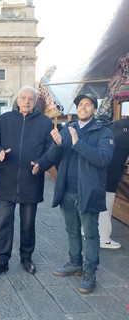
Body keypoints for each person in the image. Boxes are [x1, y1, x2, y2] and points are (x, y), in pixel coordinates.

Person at [33, 93, 114, 294]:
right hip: (67, 190)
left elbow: (103, 159)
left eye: (87, 105)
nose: (83, 107)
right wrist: (44, 161)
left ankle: (90, 271)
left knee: (91, 234)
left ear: (94, 109)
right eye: (80, 104)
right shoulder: (68, 130)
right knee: (72, 230)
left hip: (88, 191)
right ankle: (75, 263)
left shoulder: (104, 132)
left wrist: (78, 143)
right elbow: (53, 155)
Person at [0, 86, 53, 278]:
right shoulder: (5, 120)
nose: (26, 102)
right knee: (3, 222)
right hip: (7, 180)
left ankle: (26, 257)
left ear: (36, 102)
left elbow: (51, 150)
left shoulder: (45, 123)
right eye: (23, 98)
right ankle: (1, 260)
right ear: (17, 100)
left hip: (31, 180)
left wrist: (42, 164)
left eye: (31, 99)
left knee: (28, 223)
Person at [99, 118, 129, 249]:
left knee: (99, 200)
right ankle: (103, 238)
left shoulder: (117, 124)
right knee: (106, 203)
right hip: (111, 170)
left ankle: (88, 231)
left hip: (99, 167)